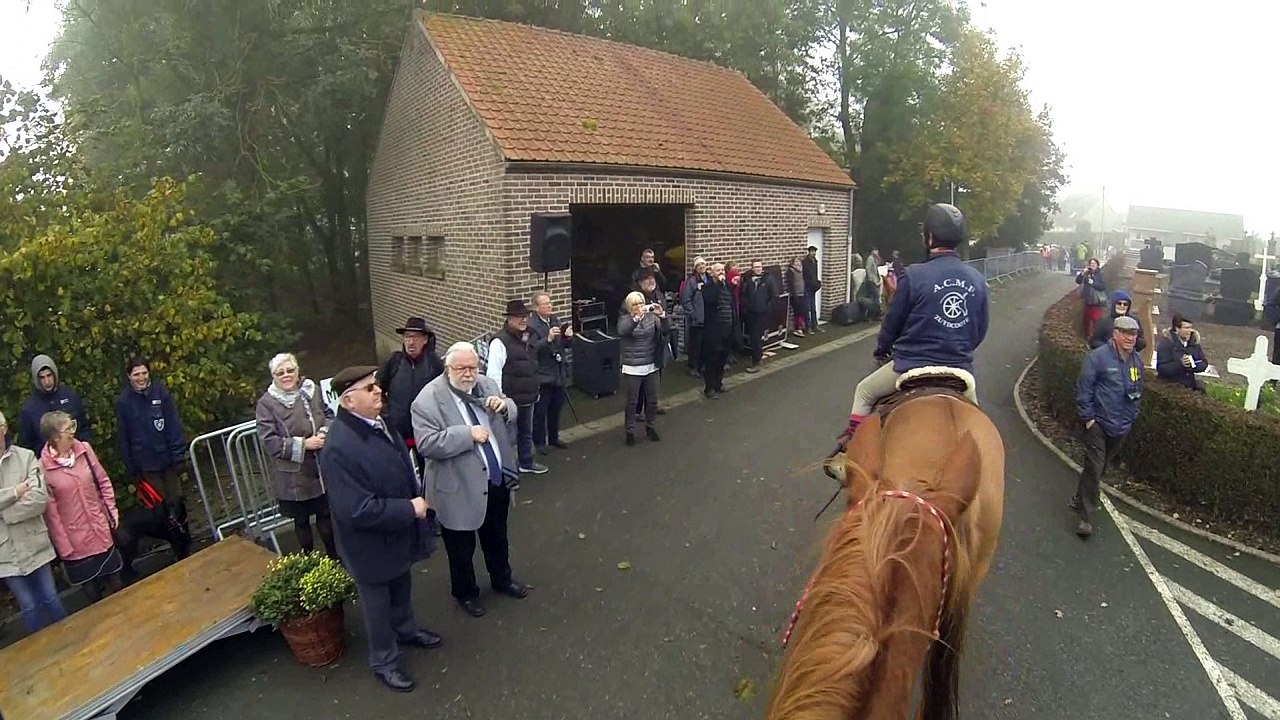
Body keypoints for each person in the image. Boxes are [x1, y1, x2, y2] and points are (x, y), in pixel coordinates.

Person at [318, 365, 440, 693]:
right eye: (369, 389)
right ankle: (384, 661)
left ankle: (406, 630)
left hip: (396, 533)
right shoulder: (339, 447)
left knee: (401, 587)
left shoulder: (377, 423)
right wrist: (409, 508)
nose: (378, 392)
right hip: (370, 545)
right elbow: (355, 509)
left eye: (376, 386)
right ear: (347, 401)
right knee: (377, 606)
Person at [842, 204, 987, 440]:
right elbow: (979, 331)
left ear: (929, 237)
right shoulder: (977, 280)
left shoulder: (913, 275)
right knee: (980, 434)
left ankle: (851, 451)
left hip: (911, 364)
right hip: (960, 370)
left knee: (864, 392)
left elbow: (892, 324)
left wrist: (882, 349)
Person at [412, 343, 528, 620]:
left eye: (472, 367)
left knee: (497, 537)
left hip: (494, 480)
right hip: (457, 488)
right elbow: (426, 444)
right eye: (460, 368)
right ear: (447, 368)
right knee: (461, 547)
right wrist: (466, 435)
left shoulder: (486, 384)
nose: (468, 374)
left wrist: (504, 406)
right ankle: (465, 593)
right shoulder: (427, 400)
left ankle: (502, 579)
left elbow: (511, 408)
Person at [39, 410, 125, 603]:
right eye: (67, 428)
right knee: (93, 596)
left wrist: (111, 512)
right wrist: (64, 547)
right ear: (54, 437)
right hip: (75, 542)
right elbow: (51, 515)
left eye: (72, 426)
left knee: (118, 585)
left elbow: (103, 481)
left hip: (101, 530)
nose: (73, 432)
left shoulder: (84, 450)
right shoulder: (42, 468)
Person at [255, 353, 336, 557]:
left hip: (320, 469)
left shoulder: (311, 390)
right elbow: (269, 441)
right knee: (301, 522)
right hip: (293, 474)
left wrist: (325, 432)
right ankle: (308, 562)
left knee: (325, 516)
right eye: (280, 373)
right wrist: (304, 444)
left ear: (297, 371)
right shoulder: (266, 404)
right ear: (273, 377)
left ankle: (335, 560)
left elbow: (328, 415)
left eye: (290, 370)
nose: (286, 375)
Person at [115, 357, 193, 566]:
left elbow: (173, 426)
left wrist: (179, 456)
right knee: (160, 510)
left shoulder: (161, 393)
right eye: (136, 374)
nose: (141, 378)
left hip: (167, 459)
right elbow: (124, 437)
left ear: (149, 373)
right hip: (146, 464)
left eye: (143, 373)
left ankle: (186, 543)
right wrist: (132, 467)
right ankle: (175, 547)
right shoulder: (124, 402)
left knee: (177, 501)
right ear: (129, 377)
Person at [1073, 315, 1144, 537]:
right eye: (1126, 333)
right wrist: (1088, 418)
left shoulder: (1136, 361)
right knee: (1095, 466)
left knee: (1099, 467)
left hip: (1121, 425)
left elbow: (1138, 389)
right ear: (1115, 334)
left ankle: (1079, 498)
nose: (1131, 338)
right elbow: (1084, 389)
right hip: (1098, 424)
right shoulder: (1097, 358)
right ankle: (1085, 517)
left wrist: (1132, 417)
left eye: (1134, 334)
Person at [0, 409, 67, 634]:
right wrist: (15, 492)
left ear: (4, 429)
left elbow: (39, 499)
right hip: (5, 551)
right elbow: (25, 495)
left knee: (51, 598)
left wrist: (5, 514)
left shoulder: (26, 457)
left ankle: (71, 641)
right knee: (28, 606)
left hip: (33, 542)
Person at [486, 300, 548, 475]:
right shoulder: (499, 342)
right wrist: (499, 396)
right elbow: (494, 372)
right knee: (506, 438)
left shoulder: (529, 336)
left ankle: (526, 463)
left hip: (528, 395)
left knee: (526, 432)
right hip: (509, 399)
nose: (523, 320)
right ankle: (506, 471)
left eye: (525, 316)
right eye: (519, 317)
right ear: (509, 319)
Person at [378, 317, 445, 447]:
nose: (411, 342)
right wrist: (387, 414)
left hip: (426, 431)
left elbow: (444, 393)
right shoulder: (394, 361)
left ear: (425, 340)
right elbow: (378, 389)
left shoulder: (434, 363)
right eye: (407, 337)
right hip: (398, 432)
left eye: (415, 337)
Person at [618, 291, 667, 445]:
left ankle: (650, 426)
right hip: (633, 366)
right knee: (632, 402)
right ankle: (630, 431)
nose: (639, 307)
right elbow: (623, 331)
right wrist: (636, 319)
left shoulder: (651, 318)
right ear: (629, 306)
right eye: (635, 304)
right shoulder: (625, 319)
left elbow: (665, 330)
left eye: (641, 303)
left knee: (652, 400)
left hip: (651, 364)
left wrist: (663, 316)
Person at [17, 355, 91, 451]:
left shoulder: (71, 396)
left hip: (76, 456)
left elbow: (84, 427)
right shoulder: (29, 409)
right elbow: (26, 445)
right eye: (42, 378)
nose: (47, 381)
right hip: (46, 462)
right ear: (36, 379)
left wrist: (83, 448)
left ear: (54, 374)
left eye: (49, 375)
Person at [527, 293, 571, 455]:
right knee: (541, 411)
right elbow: (532, 349)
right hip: (543, 374)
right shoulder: (531, 326)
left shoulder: (555, 320)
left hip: (558, 372)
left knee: (556, 407)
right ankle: (539, 442)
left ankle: (554, 437)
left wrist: (567, 338)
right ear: (536, 308)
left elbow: (562, 346)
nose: (549, 306)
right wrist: (548, 338)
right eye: (545, 304)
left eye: (550, 303)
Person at [700, 262, 738, 398]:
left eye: (722, 270)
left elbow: (732, 304)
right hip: (714, 329)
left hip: (727, 327)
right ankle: (709, 388)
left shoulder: (727, 286)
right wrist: (718, 284)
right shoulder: (707, 287)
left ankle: (718, 384)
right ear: (712, 273)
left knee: (722, 358)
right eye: (718, 270)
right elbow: (710, 299)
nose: (721, 272)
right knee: (712, 359)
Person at [1155, 313, 1208, 392]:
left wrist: (1192, 365)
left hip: (1189, 386)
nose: (1189, 331)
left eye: (1191, 327)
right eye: (1186, 328)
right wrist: (1180, 364)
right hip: (1170, 387)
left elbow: (1203, 362)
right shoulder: (1166, 344)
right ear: (1177, 329)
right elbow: (1162, 368)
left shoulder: (1194, 343)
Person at [679, 258, 709, 378]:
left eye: (703, 264)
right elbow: (685, 299)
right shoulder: (691, 281)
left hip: (708, 318)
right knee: (695, 345)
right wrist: (693, 314)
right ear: (695, 267)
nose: (702, 266)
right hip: (697, 320)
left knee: (705, 344)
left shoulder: (709, 279)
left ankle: (702, 366)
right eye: (699, 264)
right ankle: (693, 367)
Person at [1076, 258, 1108, 339]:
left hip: (1095, 301)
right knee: (1085, 321)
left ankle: (1097, 337)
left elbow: (1102, 286)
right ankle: (1087, 336)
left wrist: (1093, 283)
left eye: (1094, 264)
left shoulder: (1100, 274)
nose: (1092, 265)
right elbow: (1078, 281)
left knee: (1096, 320)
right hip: (1087, 300)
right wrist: (1083, 273)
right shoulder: (1087, 273)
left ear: (1097, 265)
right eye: (1091, 264)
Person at [802, 246, 822, 333]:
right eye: (812, 251)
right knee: (807, 308)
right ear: (809, 252)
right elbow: (806, 275)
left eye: (815, 252)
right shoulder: (805, 262)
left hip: (813, 287)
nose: (814, 253)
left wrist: (817, 283)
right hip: (807, 287)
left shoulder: (815, 262)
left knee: (813, 307)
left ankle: (815, 325)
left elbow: (815, 274)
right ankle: (808, 327)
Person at [788, 256, 808, 336]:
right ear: (793, 263)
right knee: (797, 312)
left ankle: (801, 326)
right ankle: (797, 328)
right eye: (795, 262)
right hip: (795, 295)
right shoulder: (791, 271)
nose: (797, 263)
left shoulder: (801, 270)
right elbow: (790, 284)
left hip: (802, 294)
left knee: (802, 311)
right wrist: (794, 295)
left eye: (798, 262)